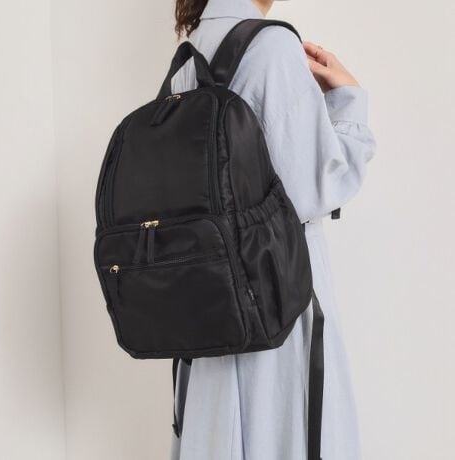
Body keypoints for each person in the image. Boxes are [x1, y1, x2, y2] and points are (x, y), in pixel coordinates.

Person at [170, 1, 376, 459]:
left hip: (206, 310)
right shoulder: (272, 46)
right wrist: (349, 100)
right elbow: (318, 185)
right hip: (278, 301)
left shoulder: (189, 53)